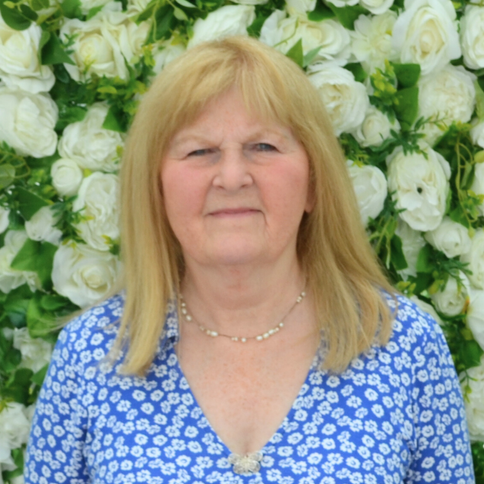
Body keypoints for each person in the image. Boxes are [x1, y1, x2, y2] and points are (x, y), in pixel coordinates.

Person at [24, 36, 474, 484]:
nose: (233, 177)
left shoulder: (403, 345)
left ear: (315, 182)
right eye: (200, 151)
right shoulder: (92, 354)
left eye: (264, 147)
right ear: (155, 189)